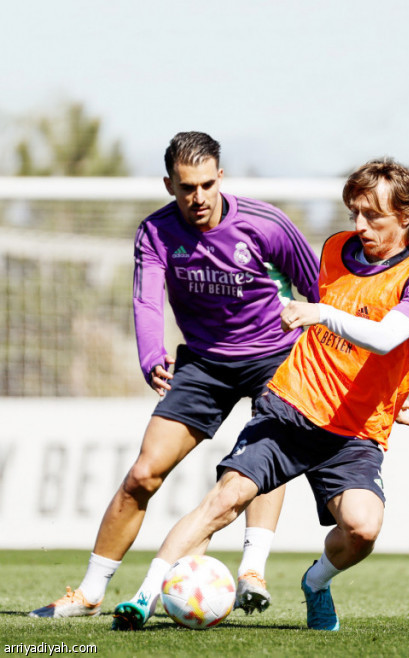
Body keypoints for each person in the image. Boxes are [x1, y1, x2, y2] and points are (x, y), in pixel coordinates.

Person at [109, 156, 409, 631]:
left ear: (407, 216)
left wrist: (378, 390)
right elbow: (338, 337)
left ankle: (316, 581)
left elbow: (385, 338)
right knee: (224, 500)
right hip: (291, 405)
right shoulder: (337, 249)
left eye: (373, 216)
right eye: (354, 213)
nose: (359, 226)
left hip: (354, 430)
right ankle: (144, 596)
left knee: (363, 529)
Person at [29, 132, 321, 621]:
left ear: (221, 177)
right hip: (203, 364)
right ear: (169, 184)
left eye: (207, 184)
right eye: (187, 187)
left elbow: (320, 290)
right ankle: (90, 593)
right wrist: (151, 355)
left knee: (261, 460)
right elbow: (147, 298)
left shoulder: (267, 224)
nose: (198, 197)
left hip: (274, 356)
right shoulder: (156, 231)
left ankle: (252, 571)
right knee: (143, 474)